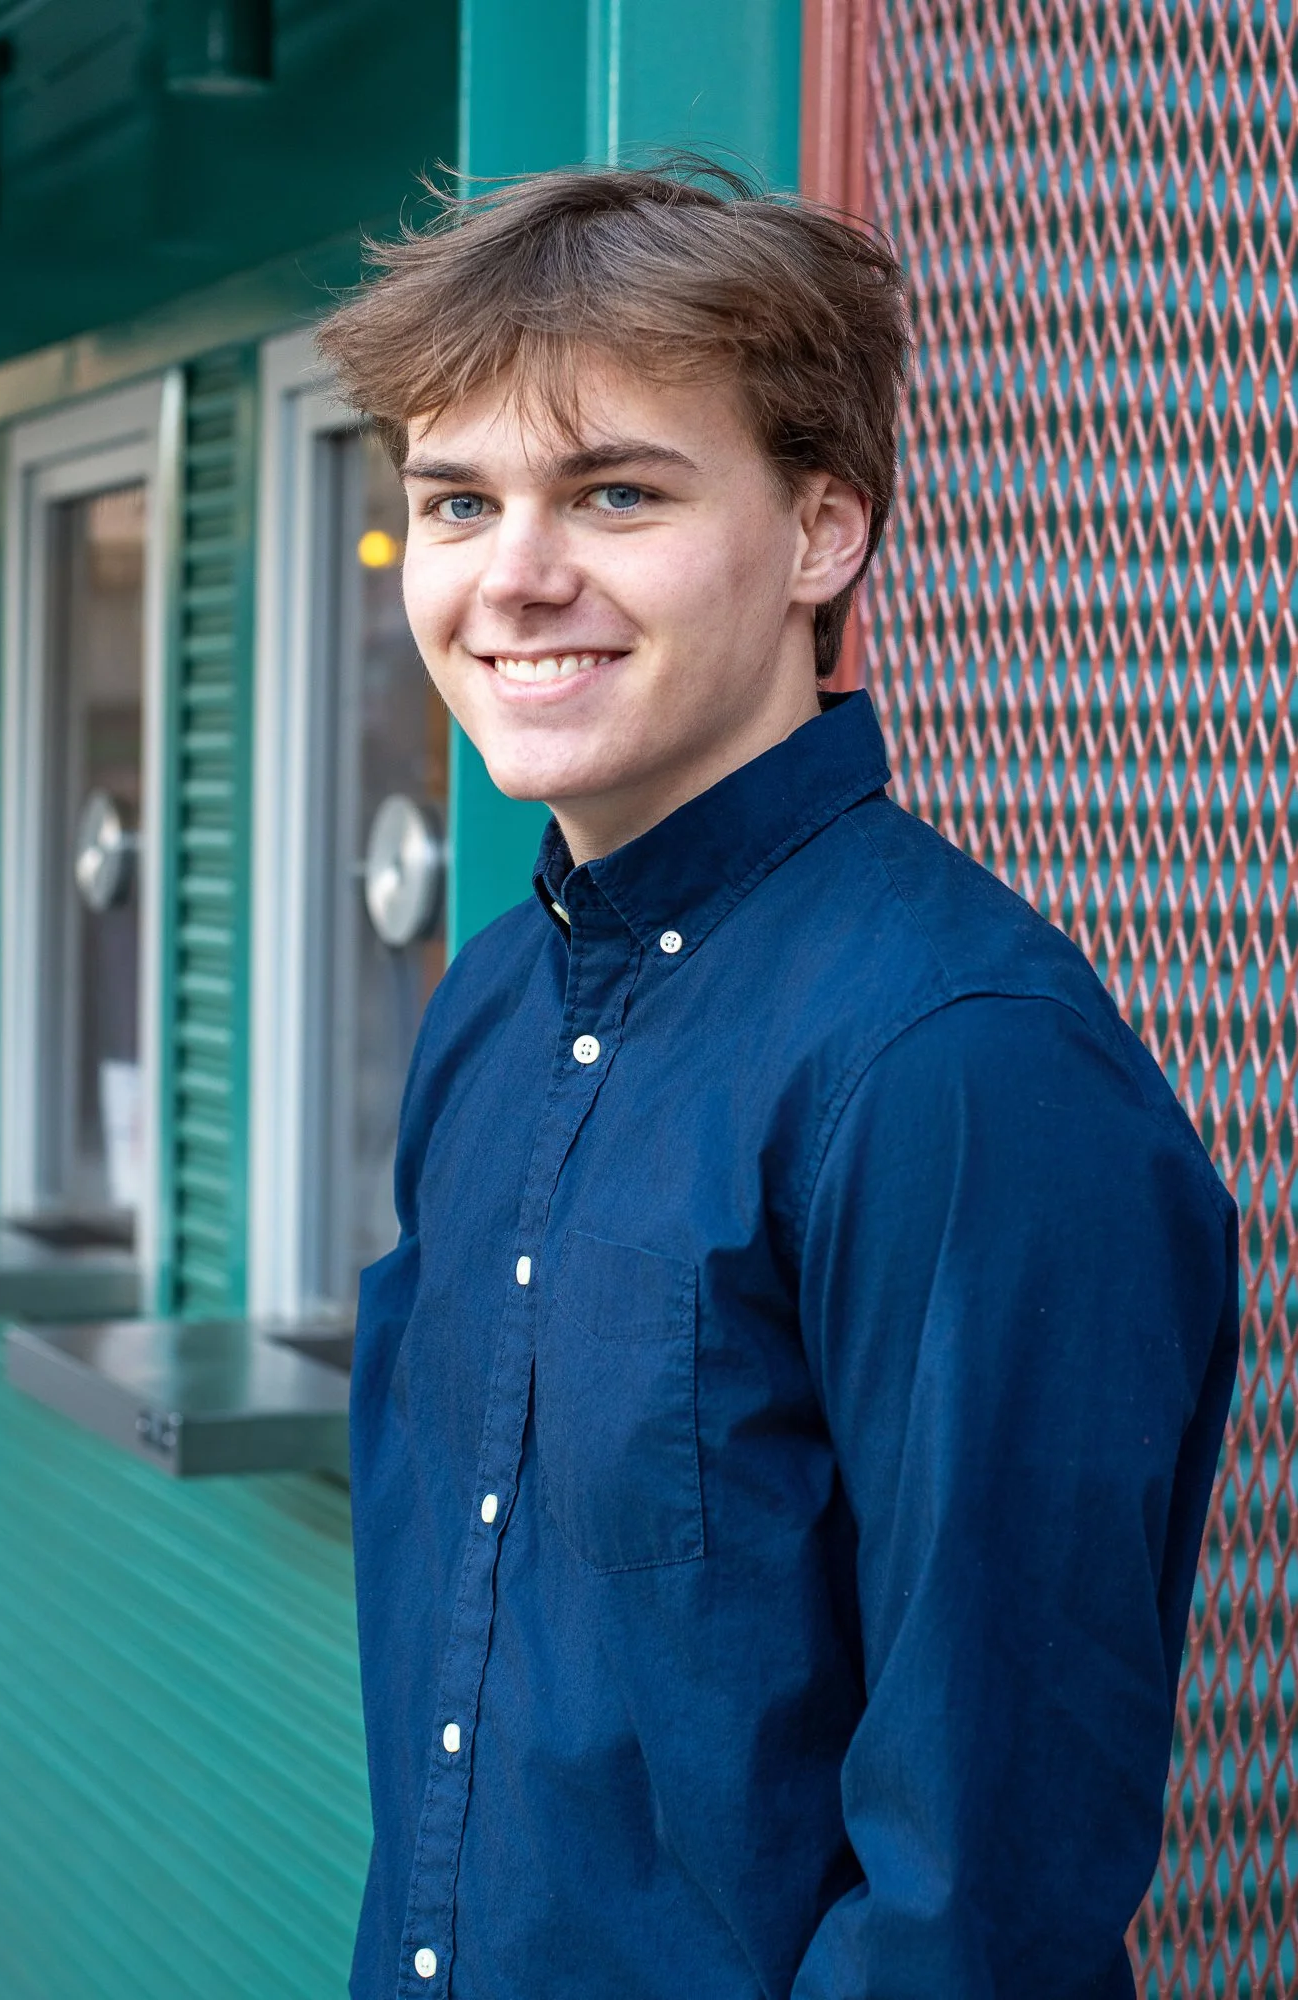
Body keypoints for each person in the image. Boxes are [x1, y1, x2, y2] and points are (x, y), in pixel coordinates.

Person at [317, 162, 1239, 2000]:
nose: (514, 576)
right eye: (457, 502)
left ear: (823, 533)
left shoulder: (960, 1067)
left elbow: (980, 1892)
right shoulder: (493, 1003)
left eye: (617, 493)